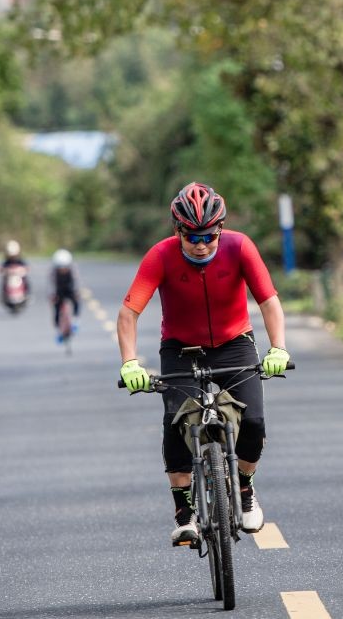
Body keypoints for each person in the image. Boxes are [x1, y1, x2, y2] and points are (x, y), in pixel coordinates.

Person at [116, 181, 289, 546]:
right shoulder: (161, 256)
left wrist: (278, 349)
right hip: (180, 347)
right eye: (192, 236)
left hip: (234, 343)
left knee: (253, 421)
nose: (201, 244)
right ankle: (183, 509)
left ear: (220, 229)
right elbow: (129, 313)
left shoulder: (240, 247)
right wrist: (130, 363)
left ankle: (243, 488)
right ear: (178, 230)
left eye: (209, 235)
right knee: (176, 420)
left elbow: (269, 302)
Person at [49, 248, 80, 333]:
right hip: (59, 292)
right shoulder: (53, 273)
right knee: (56, 307)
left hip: (70, 290)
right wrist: (52, 295)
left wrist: (76, 292)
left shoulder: (72, 271)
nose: (62, 270)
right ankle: (57, 328)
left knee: (76, 302)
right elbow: (51, 285)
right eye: (60, 268)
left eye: (64, 267)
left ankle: (76, 319)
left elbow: (76, 282)